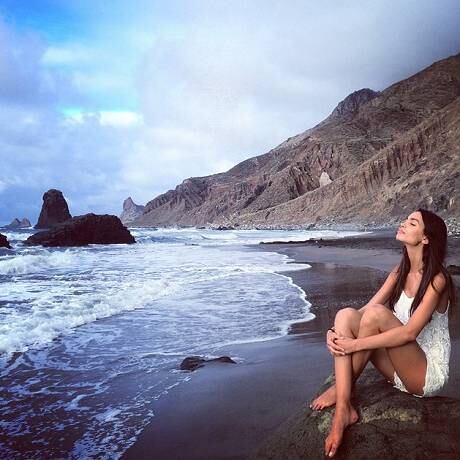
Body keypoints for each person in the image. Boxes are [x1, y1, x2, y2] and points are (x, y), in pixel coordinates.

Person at [308, 209, 456, 458]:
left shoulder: (437, 280)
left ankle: (343, 393)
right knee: (345, 315)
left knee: (377, 315)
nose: (403, 224)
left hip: (424, 374)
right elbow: (361, 313)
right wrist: (332, 332)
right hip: (398, 367)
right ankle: (344, 403)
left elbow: (409, 333)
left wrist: (354, 345)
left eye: (412, 223)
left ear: (426, 238)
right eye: (405, 220)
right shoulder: (399, 273)